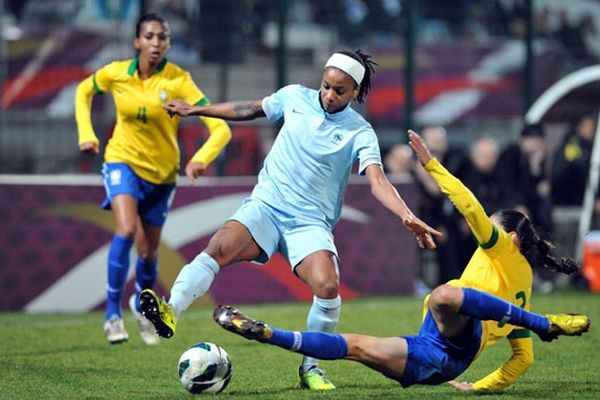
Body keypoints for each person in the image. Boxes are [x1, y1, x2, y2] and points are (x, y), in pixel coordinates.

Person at [139, 50, 441, 390]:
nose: (328, 94)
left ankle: (310, 368)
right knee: (219, 246)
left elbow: (377, 180)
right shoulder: (295, 96)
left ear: (355, 91)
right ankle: (170, 312)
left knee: (327, 287)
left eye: (339, 90)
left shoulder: (361, 131)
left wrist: (406, 215)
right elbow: (248, 109)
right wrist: (197, 111)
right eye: (326, 85)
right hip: (267, 205)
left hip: (309, 223)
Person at [212, 129, 591, 393]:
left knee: (445, 294)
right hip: (433, 355)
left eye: (491, 229)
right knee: (354, 347)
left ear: (510, 238)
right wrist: (478, 387)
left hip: (457, 341)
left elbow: (470, 207)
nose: (483, 234)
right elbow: (521, 360)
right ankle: (267, 333)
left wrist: (432, 166)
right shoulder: (521, 288)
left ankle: (545, 324)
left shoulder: (501, 248)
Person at [74, 13, 232, 345]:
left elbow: (221, 128)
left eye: (162, 37)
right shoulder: (117, 73)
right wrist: (86, 133)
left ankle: (141, 306)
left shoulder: (179, 80)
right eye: (149, 37)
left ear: (169, 43)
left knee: (147, 254)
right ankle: (112, 314)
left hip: (162, 175)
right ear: (137, 42)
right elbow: (83, 91)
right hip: (122, 161)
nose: (155, 43)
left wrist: (201, 158)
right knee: (127, 229)